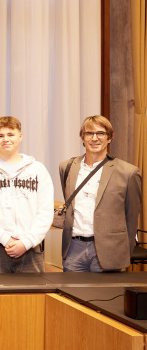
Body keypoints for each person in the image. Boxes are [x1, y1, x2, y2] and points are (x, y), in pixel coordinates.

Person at [0, 116, 53, 273]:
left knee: (32, 297)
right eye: (0, 136)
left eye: (11, 134)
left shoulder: (37, 169)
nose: (6, 139)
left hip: (30, 246)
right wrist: (4, 238)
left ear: (20, 137)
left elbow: (45, 211)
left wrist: (27, 242)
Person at [58, 115, 142, 272]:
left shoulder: (128, 172)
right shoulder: (67, 167)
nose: (94, 138)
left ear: (110, 137)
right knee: (72, 295)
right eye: (89, 133)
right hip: (73, 249)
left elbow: (131, 218)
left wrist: (125, 252)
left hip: (110, 249)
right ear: (82, 138)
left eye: (100, 133)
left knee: (107, 296)